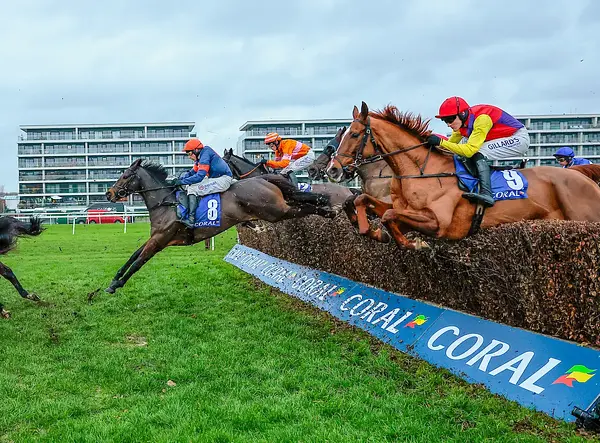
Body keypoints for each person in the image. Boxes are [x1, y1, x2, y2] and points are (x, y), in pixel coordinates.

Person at [427, 96, 530, 207]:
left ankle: (487, 194)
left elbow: (469, 151)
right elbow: (449, 146)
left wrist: (441, 142)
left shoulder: (482, 119)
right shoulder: (461, 125)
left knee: (477, 152)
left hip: (518, 138)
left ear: (462, 114)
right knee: (462, 152)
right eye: (445, 121)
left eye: (450, 119)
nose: (448, 124)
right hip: (502, 137)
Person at [167, 139, 233, 228]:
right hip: (217, 178)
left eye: (190, 154)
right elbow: (192, 172)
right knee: (188, 186)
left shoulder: (205, 154)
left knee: (193, 188)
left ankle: (191, 219)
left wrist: (181, 182)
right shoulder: (200, 158)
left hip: (223, 180)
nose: (189, 157)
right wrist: (179, 179)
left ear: (196, 150)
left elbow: (199, 176)